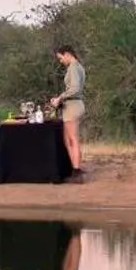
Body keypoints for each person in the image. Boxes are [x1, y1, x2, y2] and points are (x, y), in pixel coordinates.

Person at [51, 44, 86, 179]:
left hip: (73, 107)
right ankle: (74, 167)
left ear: (67, 54)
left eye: (61, 58)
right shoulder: (79, 67)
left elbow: (75, 88)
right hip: (74, 105)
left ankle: (76, 171)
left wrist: (60, 97)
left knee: (72, 139)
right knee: (69, 138)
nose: (61, 61)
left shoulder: (73, 68)